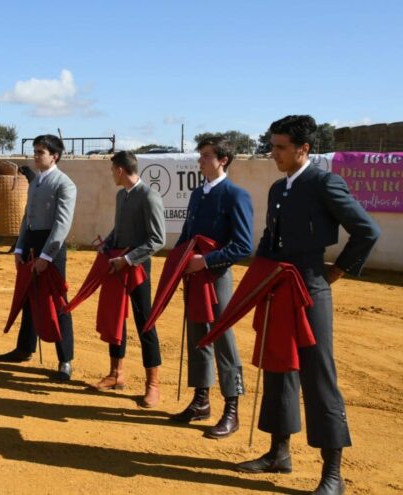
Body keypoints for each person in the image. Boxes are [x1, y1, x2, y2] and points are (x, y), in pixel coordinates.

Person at [235, 115, 380, 495]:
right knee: (278, 366)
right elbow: (270, 239)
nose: (274, 153)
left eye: (281, 147)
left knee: (318, 375)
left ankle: (333, 473)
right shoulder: (278, 188)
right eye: (273, 145)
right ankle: (278, 453)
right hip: (278, 289)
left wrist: (338, 272)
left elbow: (367, 231)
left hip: (311, 290)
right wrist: (260, 277)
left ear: (304, 149)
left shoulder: (324, 182)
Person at [168, 136, 253, 438]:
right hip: (193, 276)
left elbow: (243, 246)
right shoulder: (196, 195)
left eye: (205, 156)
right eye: (200, 155)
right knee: (197, 336)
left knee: (223, 339)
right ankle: (201, 400)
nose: (200, 160)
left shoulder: (235, 195)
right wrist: (177, 266)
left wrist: (205, 262)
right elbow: (187, 236)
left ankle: (232, 408)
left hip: (217, 278)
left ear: (223, 160)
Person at [0, 134, 77, 381]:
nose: (36, 155)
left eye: (41, 151)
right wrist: (19, 248)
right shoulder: (36, 182)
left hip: (50, 248)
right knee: (29, 298)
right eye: (36, 150)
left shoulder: (65, 184)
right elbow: (26, 219)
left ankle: (65, 360)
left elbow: (62, 225)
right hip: (31, 244)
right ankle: (24, 348)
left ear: (55, 156)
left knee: (57, 302)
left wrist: (46, 256)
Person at [92, 151, 166, 408]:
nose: (111, 174)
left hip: (137, 266)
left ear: (120, 170)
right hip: (118, 263)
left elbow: (157, 239)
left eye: (113, 169)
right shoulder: (122, 195)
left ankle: (152, 385)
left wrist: (129, 259)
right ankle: (116, 373)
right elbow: (120, 228)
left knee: (145, 321)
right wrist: (109, 244)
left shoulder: (149, 196)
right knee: (116, 316)